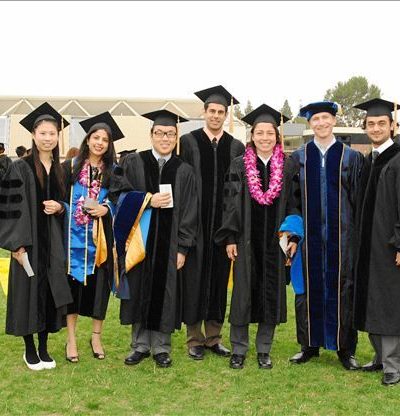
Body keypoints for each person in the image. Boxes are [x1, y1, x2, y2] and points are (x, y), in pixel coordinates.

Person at [111, 109, 197, 368]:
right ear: (151, 135)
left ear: (176, 137)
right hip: (139, 240)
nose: (165, 138)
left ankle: (161, 347)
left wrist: (183, 248)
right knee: (139, 290)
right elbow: (118, 194)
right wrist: (148, 200)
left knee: (165, 292)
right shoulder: (134, 162)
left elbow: (190, 211)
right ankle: (139, 345)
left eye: (170, 134)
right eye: (160, 133)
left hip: (169, 245)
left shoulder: (184, 170)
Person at [215, 104, 296, 369]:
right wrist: (230, 238)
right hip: (245, 241)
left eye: (269, 133)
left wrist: (293, 236)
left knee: (271, 294)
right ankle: (239, 349)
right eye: (259, 133)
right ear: (252, 136)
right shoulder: (239, 165)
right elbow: (229, 205)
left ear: (277, 136)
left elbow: (294, 203)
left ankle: (264, 350)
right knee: (242, 295)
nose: (264, 137)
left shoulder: (288, 166)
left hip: (276, 242)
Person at [289, 101, 364, 370]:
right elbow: (293, 202)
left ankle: (345, 349)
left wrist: (356, 238)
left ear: (333, 121)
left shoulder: (350, 157)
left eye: (325, 118)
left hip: (342, 238)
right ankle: (309, 345)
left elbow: (359, 201)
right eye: (315, 119)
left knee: (343, 288)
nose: (321, 123)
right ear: (310, 124)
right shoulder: (299, 157)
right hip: (309, 239)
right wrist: (293, 235)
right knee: (308, 287)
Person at [0, 102, 72, 370]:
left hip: (52, 245)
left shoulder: (61, 169)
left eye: (52, 133)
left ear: (58, 136)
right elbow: (10, 208)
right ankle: (29, 349)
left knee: (49, 294)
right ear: (33, 134)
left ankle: (43, 347)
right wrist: (16, 245)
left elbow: (68, 204)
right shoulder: (20, 167)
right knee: (27, 296)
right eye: (43, 133)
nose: (47, 138)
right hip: (28, 244)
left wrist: (60, 207)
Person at [180, 85, 245, 360]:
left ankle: (214, 338)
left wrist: (232, 231)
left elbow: (239, 191)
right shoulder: (188, 142)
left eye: (221, 112)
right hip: (194, 225)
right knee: (193, 281)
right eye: (212, 111)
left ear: (226, 114)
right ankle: (194, 339)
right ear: (204, 112)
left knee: (219, 281)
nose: (216, 116)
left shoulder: (236, 146)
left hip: (223, 228)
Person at [62, 112, 123, 363]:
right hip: (72, 240)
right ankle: (71, 339)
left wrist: (106, 209)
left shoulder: (114, 171)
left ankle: (96, 337)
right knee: (72, 289)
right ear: (88, 140)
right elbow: (60, 199)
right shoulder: (69, 167)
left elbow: (120, 199)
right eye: (96, 138)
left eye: (105, 140)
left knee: (100, 289)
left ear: (109, 145)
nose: (100, 143)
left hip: (101, 241)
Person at [353, 99, 400, 386]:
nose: (376, 128)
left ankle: (393, 365)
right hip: (368, 245)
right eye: (371, 124)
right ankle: (380, 356)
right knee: (371, 298)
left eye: (382, 123)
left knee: (390, 301)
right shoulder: (370, 159)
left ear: (392, 126)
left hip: (389, 245)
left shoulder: (397, 159)